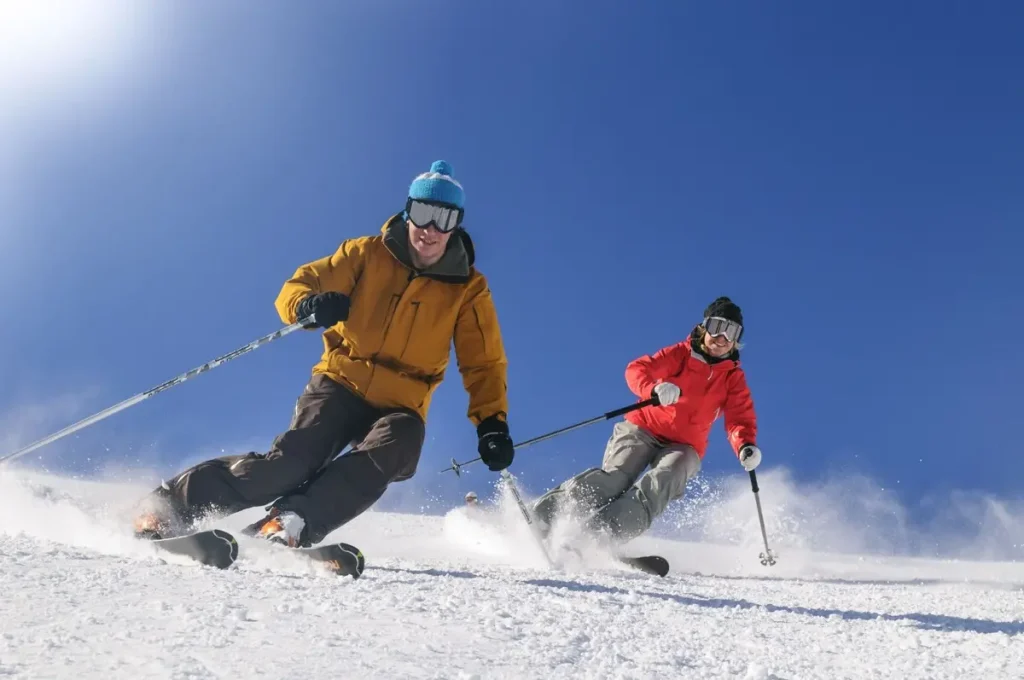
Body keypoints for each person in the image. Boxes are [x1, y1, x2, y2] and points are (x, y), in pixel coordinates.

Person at [132, 160, 516, 548]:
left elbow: (483, 361)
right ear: (407, 212)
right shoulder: (366, 253)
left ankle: (291, 521)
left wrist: (492, 424)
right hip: (340, 382)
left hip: (402, 402)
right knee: (289, 466)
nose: (430, 230)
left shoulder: (469, 289)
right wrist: (307, 305)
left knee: (400, 441)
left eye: (444, 219)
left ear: (456, 225)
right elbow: (302, 282)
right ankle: (168, 508)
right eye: (423, 213)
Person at [531, 296, 761, 544]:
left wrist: (745, 445)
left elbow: (740, 417)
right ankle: (544, 516)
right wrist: (653, 389)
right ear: (704, 327)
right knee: (618, 476)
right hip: (643, 428)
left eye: (731, 332)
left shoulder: (733, 378)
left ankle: (601, 535)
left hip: (685, 446)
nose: (722, 338)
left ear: (737, 340)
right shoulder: (681, 354)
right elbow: (638, 369)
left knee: (662, 482)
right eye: (717, 327)